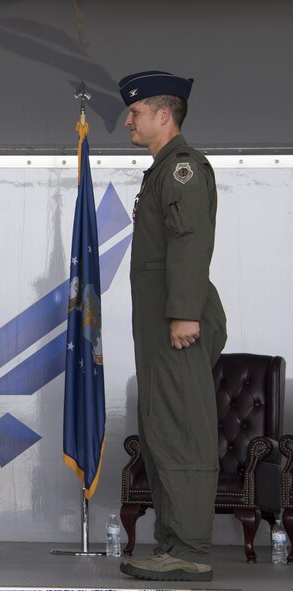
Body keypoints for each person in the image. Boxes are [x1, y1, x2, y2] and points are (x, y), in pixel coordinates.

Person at [116, 71, 227, 582]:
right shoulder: (161, 171)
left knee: (182, 430)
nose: (127, 120)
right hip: (160, 327)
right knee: (162, 428)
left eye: (135, 112)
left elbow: (189, 242)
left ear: (164, 115)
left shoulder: (182, 168)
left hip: (176, 324)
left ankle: (189, 549)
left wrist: (183, 312)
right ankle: (171, 543)